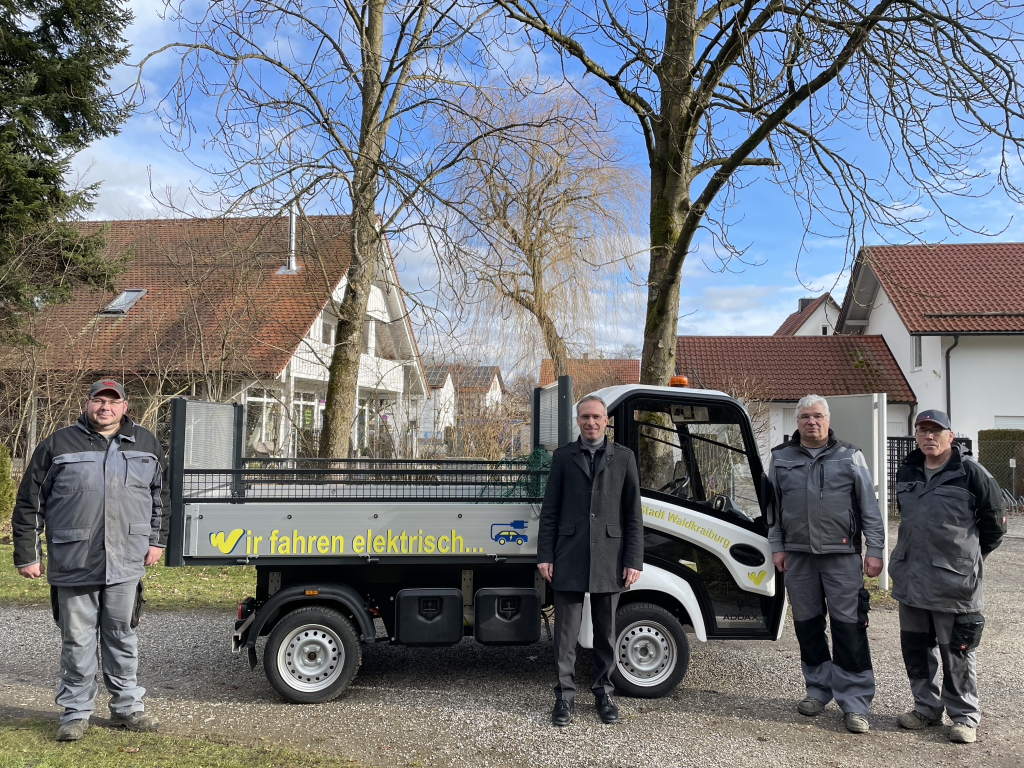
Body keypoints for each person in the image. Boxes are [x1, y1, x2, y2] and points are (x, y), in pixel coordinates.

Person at [12, 380, 169, 741]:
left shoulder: (146, 444)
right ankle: (75, 712)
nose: (105, 408)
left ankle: (127, 707)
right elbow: (29, 504)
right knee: (78, 641)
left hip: (126, 560)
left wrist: (156, 541)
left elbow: (160, 498)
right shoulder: (57, 444)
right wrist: (27, 554)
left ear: (125, 406)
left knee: (122, 636)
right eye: (98, 400)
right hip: (74, 560)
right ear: (87, 403)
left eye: (112, 402)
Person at [768, 394, 884, 733]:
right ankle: (817, 690)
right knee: (808, 626)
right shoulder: (780, 458)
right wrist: (778, 546)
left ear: (828, 420)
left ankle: (855, 703)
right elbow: (773, 510)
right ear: (797, 421)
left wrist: (874, 550)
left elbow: (870, 509)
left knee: (849, 629)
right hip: (799, 557)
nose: (811, 422)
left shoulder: (850, 456)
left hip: (842, 557)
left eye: (817, 415)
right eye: (804, 416)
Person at [891, 410, 1005, 744]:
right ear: (916, 435)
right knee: (915, 649)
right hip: (911, 578)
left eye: (936, 431)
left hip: (953, 584)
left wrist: (968, 559)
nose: (929, 436)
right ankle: (925, 708)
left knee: (956, 651)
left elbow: (994, 527)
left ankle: (964, 716)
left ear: (950, 436)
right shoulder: (908, 470)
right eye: (922, 430)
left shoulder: (970, 473)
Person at [536, 394, 643, 726]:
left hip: (611, 558)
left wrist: (633, 560)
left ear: (606, 420)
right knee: (566, 635)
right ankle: (564, 698)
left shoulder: (624, 458)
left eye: (596, 416)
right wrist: (545, 555)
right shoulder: (563, 457)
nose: (591, 422)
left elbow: (633, 515)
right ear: (578, 420)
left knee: (606, 633)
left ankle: (604, 693)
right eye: (585, 417)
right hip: (568, 555)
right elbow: (550, 511)